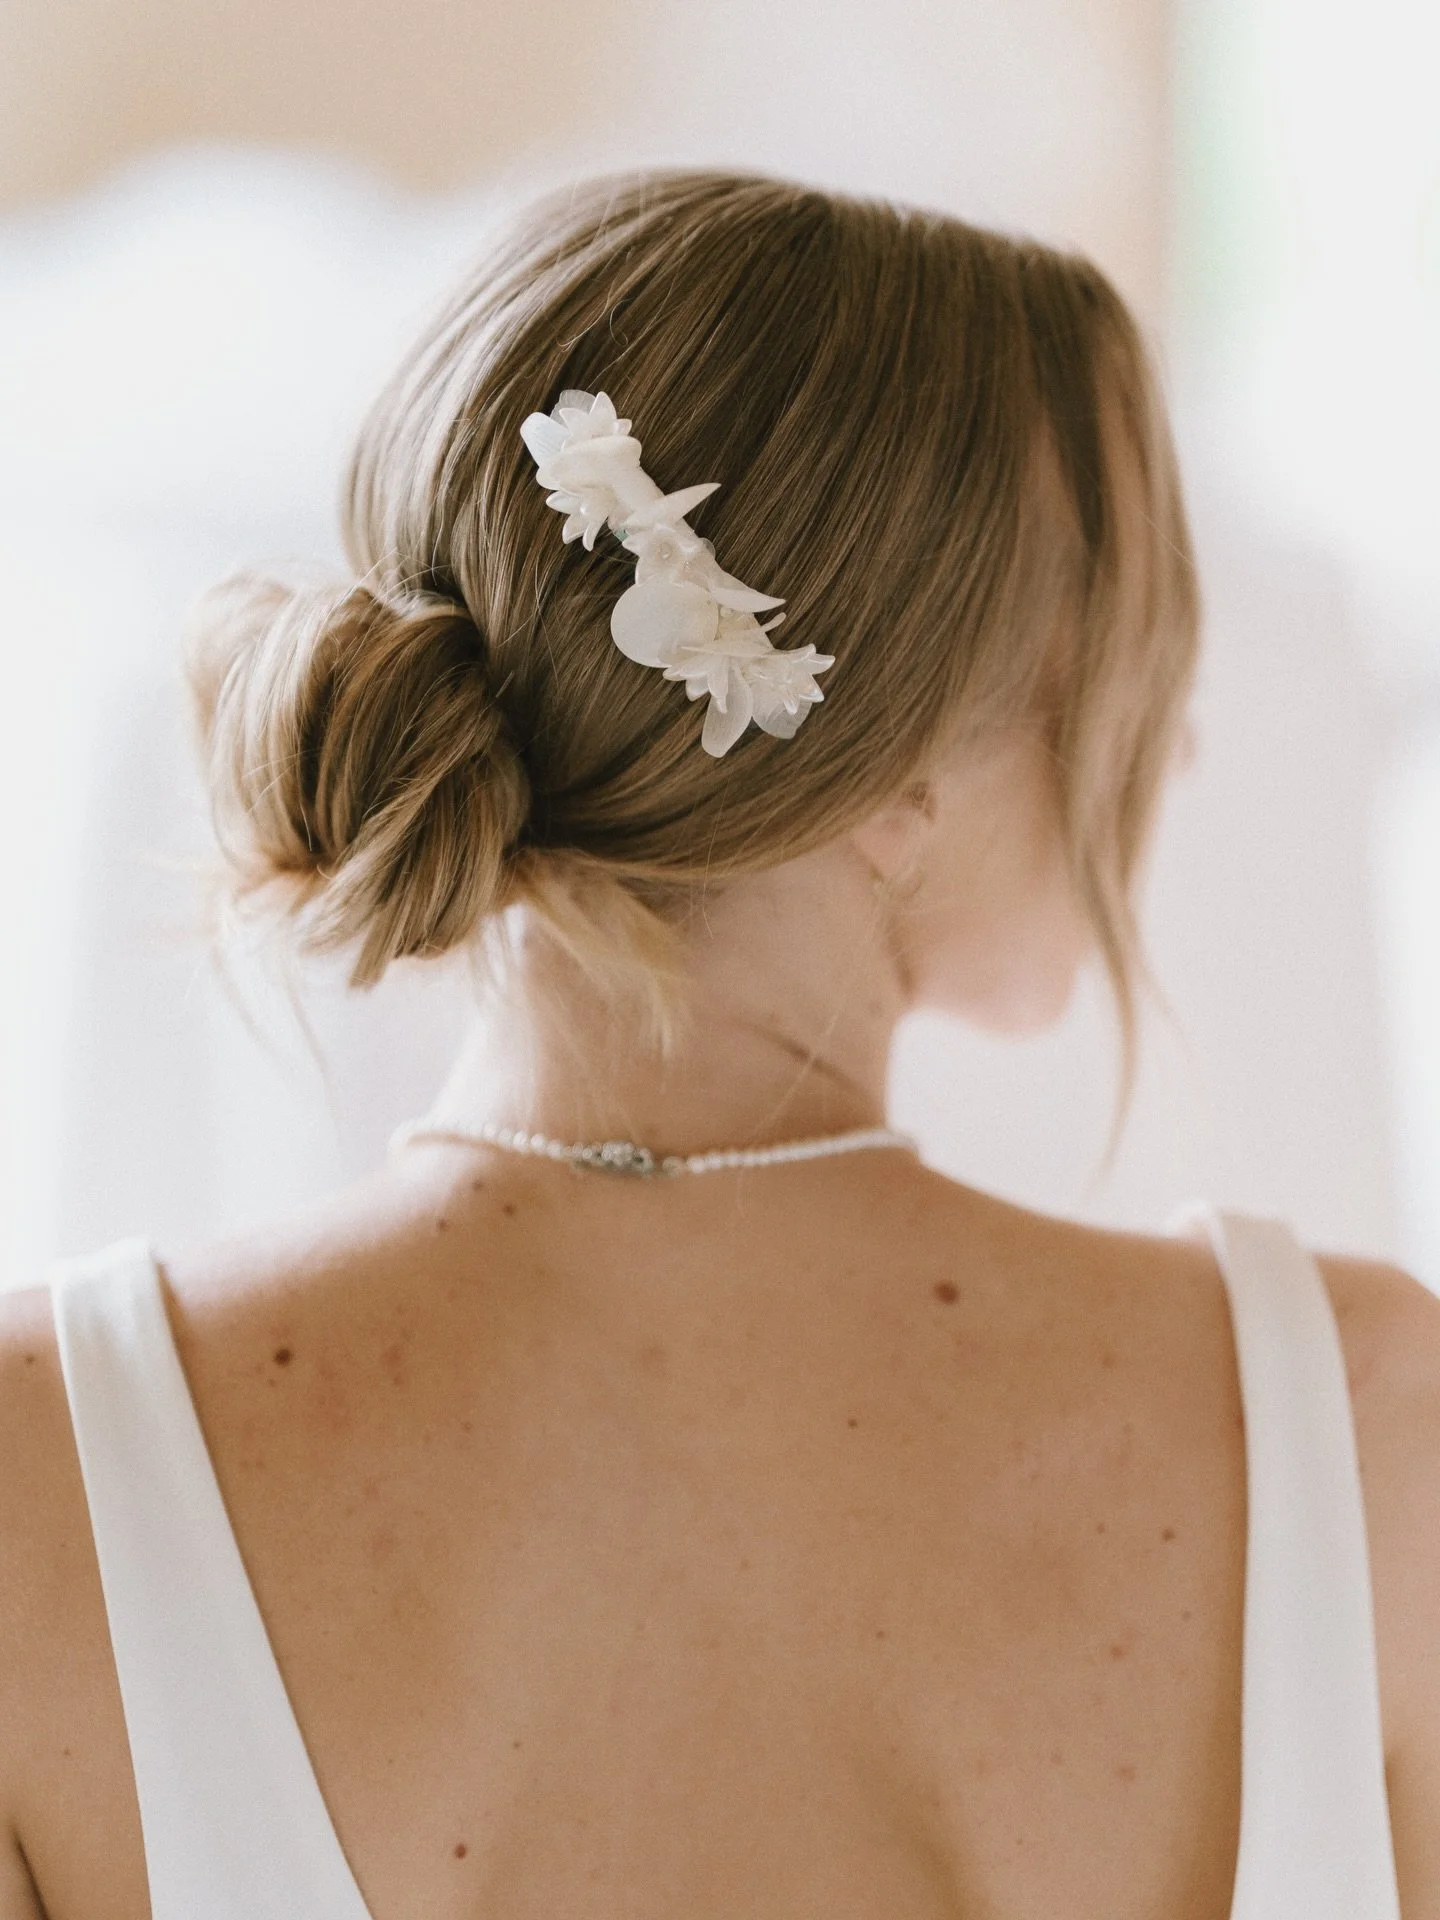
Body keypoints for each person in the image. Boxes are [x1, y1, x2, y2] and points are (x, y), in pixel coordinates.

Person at [1, 167, 1437, 1920]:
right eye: (1132, 664)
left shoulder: (38, 1485)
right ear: (896, 781)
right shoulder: (1372, 1432)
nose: (1172, 755)